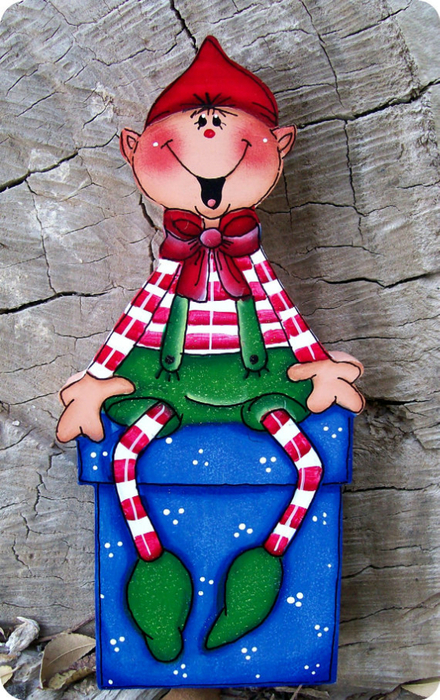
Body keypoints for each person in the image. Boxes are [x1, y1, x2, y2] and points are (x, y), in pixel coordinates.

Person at [57, 36, 364, 663]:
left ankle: (258, 586)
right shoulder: (175, 259)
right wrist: (97, 379)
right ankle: (156, 603)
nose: (211, 182)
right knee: (124, 462)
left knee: (308, 465)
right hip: (170, 381)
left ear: (280, 147)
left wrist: (319, 364)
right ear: (132, 150)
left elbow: (279, 306)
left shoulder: (250, 257)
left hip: (257, 382)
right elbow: (144, 311)